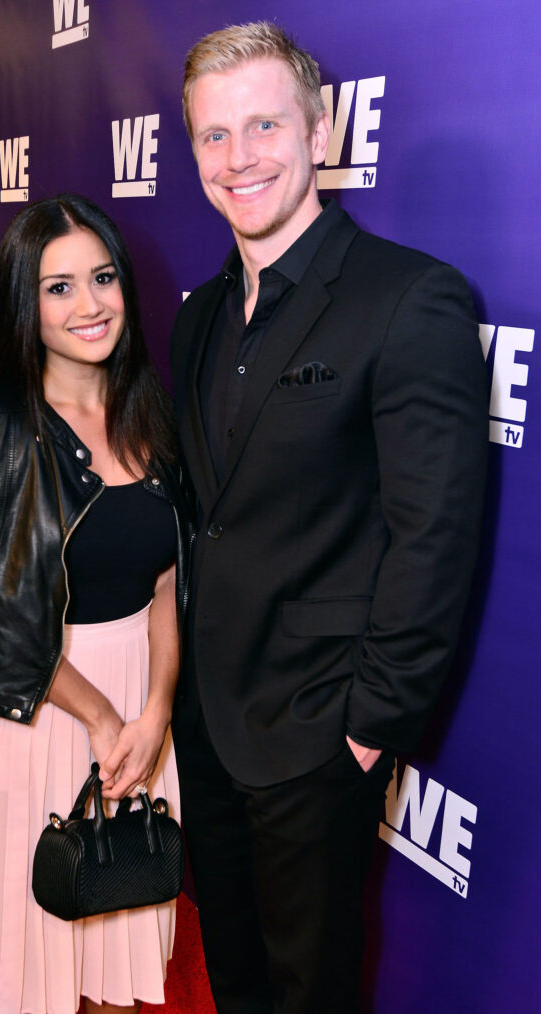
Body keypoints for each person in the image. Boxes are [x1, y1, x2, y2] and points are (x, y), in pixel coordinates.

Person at [169, 21, 489, 1014]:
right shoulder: (194, 318)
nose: (238, 158)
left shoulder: (410, 300)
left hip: (316, 736)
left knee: (312, 992)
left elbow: (434, 534)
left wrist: (365, 730)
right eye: (213, 137)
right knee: (236, 980)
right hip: (208, 730)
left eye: (263, 125)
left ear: (319, 132)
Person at [0, 193, 190, 1014]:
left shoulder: (151, 415)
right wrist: (103, 720)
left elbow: (170, 582)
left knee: (114, 924)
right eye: (58, 286)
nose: (90, 304)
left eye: (102, 278)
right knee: (24, 960)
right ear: (21, 304)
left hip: (138, 703)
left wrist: (156, 712)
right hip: (36, 710)